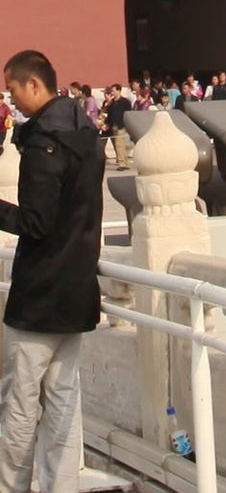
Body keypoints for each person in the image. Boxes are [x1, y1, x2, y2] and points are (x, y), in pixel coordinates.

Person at [0, 50, 105, 493]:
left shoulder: (44, 143)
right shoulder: (86, 132)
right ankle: (62, 485)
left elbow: (36, 223)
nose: (12, 99)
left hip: (40, 293)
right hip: (78, 288)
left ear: (34, 85)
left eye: (14, 89)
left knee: (21, 403)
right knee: (63, 399)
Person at [104, 85, 132, 170]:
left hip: (122, 125)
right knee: (120, 145)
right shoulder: (112, 102)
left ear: (119, 91)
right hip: (114, 126)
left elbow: (128, 114)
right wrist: (107, 124)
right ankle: (125, 162)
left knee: (119, 144)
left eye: (113, 91)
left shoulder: (125, 102)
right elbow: (110, 114)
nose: (112, 93)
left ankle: (122, 164)